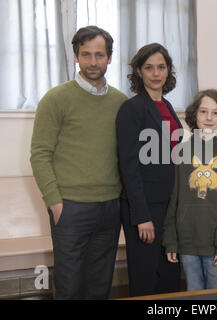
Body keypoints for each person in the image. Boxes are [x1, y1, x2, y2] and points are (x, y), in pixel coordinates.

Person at [30, 26, 127, 299]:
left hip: (110, 207)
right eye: (86, 55)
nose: (93, 62)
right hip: (70, 208)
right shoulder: (56, 99)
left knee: (100, 286)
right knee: (70, 286)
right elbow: (39, 153)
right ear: (76, 56)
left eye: (99, 55)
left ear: (109, 58)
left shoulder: (121, 102)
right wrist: (54, 202)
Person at [116, 43, 182, 297]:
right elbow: (129, 166)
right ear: (139, 71)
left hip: (168, 206)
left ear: (168, 71)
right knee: (145, 277)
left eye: (161, 67)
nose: (156, 73)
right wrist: (142, 216)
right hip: (144, 209)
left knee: (169, 274)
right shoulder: (131, 109)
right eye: (149, 67)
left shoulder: (167, 107)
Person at [163, 89, 217, 291]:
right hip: (188, 244)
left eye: (215, 113)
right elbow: (174, 198)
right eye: (203, 111)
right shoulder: (182, 151)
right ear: (194, 115)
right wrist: (171, 239)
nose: (209, 118)